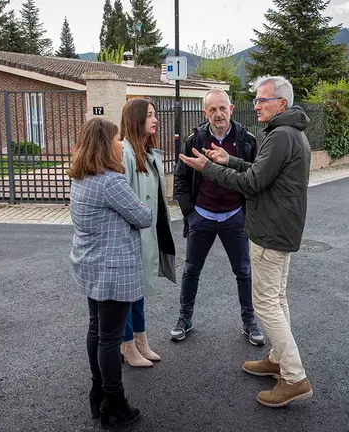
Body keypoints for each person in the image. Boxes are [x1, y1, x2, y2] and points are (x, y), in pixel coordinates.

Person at [178, 76, 313, 407]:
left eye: (262, 100)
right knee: (277, 299)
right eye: (255, 100)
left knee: (266, 302)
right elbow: (261, 172)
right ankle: (278, 359)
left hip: (270, 230)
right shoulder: (289, 133)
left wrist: (210, 168)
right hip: (279, 228)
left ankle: (293, 376)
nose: (256, 105)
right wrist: (229, 160)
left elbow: (252, 183)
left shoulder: (280, 136)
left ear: (282, 103)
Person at [69, 118, 151, 426]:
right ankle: (115, 403)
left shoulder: (80, 176)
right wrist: (145, 208)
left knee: (96, 331)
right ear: (106, 144)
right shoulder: (111, 182)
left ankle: (98, 393)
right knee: (110, 339)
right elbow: (143, 217)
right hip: (112, 270)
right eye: (117, 139)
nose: (121, 143)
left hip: (90, 266)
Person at [171, 88, 264, 346]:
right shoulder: (195, 140)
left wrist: (247, 214)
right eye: (212, 109)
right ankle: (184, 318)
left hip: (235, 217)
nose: (218, 114)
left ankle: (249, 322)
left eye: (222, 108)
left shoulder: (246, 141)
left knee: (243, 272)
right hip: (201, 215)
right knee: (191, 270)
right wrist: (190, 214)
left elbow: (255, 177)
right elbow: (180, 178)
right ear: (205, 113)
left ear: (231, 109)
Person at [119, 98, 177, 367]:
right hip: (132, 236)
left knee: (139, 290)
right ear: (136, 119)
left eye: (155, 115)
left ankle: (141, 340)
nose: (155, 120)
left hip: (149, 232)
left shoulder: (147, 152)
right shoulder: (125, 153)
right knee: (130, 292)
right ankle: (127, 344)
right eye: (150, 115)